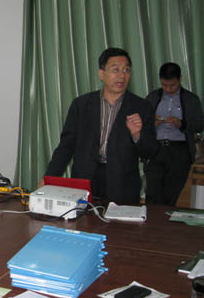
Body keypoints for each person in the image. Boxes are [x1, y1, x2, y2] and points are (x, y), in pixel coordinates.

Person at [40, 47, 157, 205]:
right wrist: (49, 178)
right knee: (82, 220)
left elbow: (150, 152)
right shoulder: (81, 105)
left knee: (119, 222)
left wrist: (137, 135)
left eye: (126, 70)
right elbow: (66, 146)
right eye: (115, 69)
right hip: (85, 180)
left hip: (123, 184)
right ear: (101, 74)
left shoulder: (142, 107)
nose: (122, 75)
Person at [144, 62, 204, 205]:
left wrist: (181, 124)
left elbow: (200, 125)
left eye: (172, 85)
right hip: (156, 150)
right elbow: (141, 123)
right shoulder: (153, 97)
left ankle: (166, 218)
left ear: (180, 79)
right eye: (164, 85)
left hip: (179, 151)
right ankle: (153, 219)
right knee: (153, 193)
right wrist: (152, 123)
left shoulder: (191, 99)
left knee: (171, 194)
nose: (168, 89)